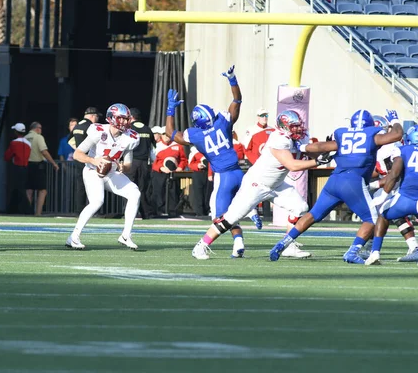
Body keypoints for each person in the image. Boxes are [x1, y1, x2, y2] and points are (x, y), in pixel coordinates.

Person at [189, 109, 331, 260]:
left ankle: (289, 246)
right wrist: (317, 162)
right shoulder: (278, 139)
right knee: (231, 217)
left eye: (298, 125)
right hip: (256, 184)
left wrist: (325, 151)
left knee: (300, 207)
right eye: (293, 126)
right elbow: (292, 165)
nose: (297, 129)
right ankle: (201, 246)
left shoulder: (299, 137)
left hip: (276, 185)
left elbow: (307, 150)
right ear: (283, 127)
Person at [269, 109, 404, 264]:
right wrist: (395, 121)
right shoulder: (372, 135)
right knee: (372, 219)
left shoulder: (343, 134)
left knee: (313, 215)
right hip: (353, 181)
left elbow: (323, 146)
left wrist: (301, 147)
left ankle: (283, 243)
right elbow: (397, 135)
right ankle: (352, 252)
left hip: (334, 181)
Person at [165, 66, 264, 259]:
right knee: (232, 212)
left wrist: (170, 110)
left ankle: (201, 246)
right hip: (239, 173)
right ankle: (239, 241)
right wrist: (232, 79)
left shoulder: (196, 134)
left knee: (219, 217)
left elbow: (170, 133)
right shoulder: (223, 122)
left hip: (223, 177)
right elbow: (237, 100)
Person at [65, 103, 141, 250]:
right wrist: (95, 161)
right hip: (93, 170)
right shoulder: (98, 131)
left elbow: (128, 165)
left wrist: (122, 167)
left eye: (126, 119)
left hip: (111, 173)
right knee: (97, 201)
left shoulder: (130, 137)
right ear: (111, 118)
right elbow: (77, 154)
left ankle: (126, 235)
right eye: (121, 118)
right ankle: (73, 237)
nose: (125, 122)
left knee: (134, 193)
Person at [362, 115, 418, 262]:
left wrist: (373, 185)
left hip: (399, 187)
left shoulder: (394, 148)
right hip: (399, 186)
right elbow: (379, 170)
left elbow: (393, 174)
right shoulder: (383, 148)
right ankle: (413, 247)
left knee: (382, 209)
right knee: (386, 210)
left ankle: (371, 248)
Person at [125, 107, 155, 219]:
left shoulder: (128, 129)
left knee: (128, 188)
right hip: (144, 163)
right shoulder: (147, 129)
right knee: (142, 189)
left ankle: (129, 213)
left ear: (130, 117)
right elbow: (153, 149)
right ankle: (145, 213)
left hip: (131, 163)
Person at [150, 127, 187, 217]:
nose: (166, 137)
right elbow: (153, 162)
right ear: (161, 135)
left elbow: (183, 159)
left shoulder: (178, 145)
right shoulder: (156, 146)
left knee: (173, 192)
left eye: (168, 135)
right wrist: (161, 168)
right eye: (164, 135)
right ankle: (159, 211)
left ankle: (172, 211)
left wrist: (180, 167)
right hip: (159, 173)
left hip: (173, 173)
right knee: (158, 192)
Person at [25, 121, 59, 216]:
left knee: (29, 190)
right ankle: (38, 212)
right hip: (38, 165)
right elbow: (44, 151)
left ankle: (27, 211)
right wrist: (53, 163)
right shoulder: (38, 137)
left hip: (27, 165)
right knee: (42, 190)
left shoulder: (25, 138)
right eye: (40, 128)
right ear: (37, 128)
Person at [70, 107, 100, 213]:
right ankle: (93, 210)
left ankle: (80, 210)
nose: (97, 119)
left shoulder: (77, 126)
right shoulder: (91, 126)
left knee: (80, 185)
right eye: (97, 117)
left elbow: (70, 141)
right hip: (89, 160)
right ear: (92, 116)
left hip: (79, 159)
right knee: (94, 185)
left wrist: (78, 151)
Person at [4, 123, 32, 214]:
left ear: (16, 132)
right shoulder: (28, 143)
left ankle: (28, 210)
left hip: (17, 168)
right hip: (26, 168)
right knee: (19, 188)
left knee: (18, 189)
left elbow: (7, 156)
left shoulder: (14, 143)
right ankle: (13, 209)